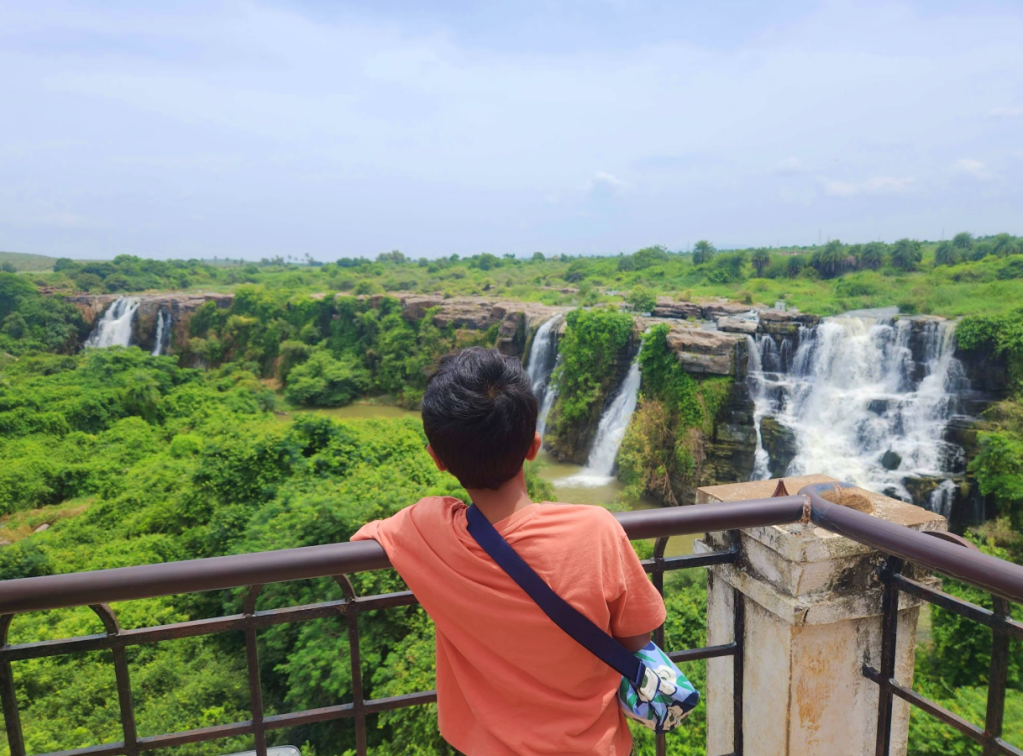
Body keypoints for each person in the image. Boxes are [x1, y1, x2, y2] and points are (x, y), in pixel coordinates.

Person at [352, 347, 665, 755]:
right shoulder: (596, 530)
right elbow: (639, 635)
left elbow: (365, 537)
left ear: (437, 460)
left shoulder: (424, 528)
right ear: (533, 447)